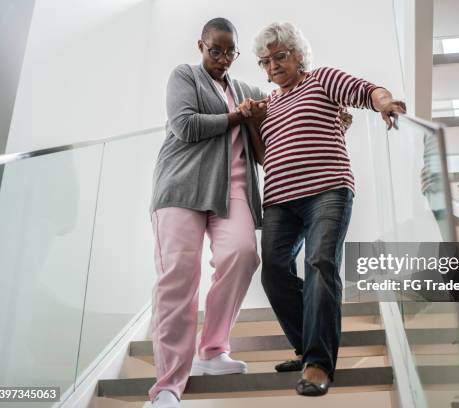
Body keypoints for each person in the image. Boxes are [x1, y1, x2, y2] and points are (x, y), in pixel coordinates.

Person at [247, 22, 406, 397]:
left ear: (299, 55)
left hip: (327, 192)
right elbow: (264, 158)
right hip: (280, 200)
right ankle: (308, 347)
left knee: (320, 262)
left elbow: (366, 91)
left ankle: (318, 363)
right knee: (272, 272)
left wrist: (384, 103)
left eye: (279, 56)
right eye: (264, 62)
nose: (272, 67)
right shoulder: (269, 104)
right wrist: (254, 123)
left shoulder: (322, 80)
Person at [147, 18, 267, 408]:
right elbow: (184, 125)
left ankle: (213, 349)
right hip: (181, 187)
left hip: (233, 190)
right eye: (215, 50)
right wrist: (237, 117)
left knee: (243, 254)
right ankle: (167, 385)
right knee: (179, 278)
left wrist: (334, 116)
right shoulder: (185, 76)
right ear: (201, 45)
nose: (222, 59)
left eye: (230, 52)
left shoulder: (246, 90)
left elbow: (280, 114)